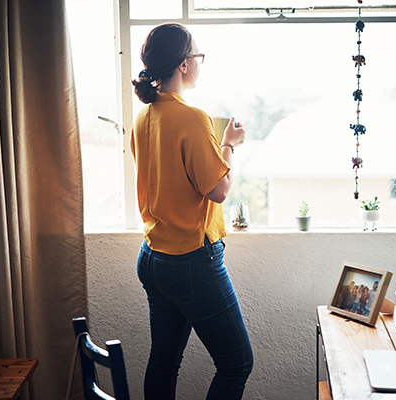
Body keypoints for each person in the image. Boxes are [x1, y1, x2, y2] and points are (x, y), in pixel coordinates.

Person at [130, 23, 253, 399]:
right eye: (198, 56)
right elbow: (217, 191)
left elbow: (174, 179)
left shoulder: (143, 117)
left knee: (163, 361)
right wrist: (228, 144)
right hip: (189, 260)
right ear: (183, 65)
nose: (200, 63)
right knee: (237, 363)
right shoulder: (192, 117)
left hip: (153, 256)